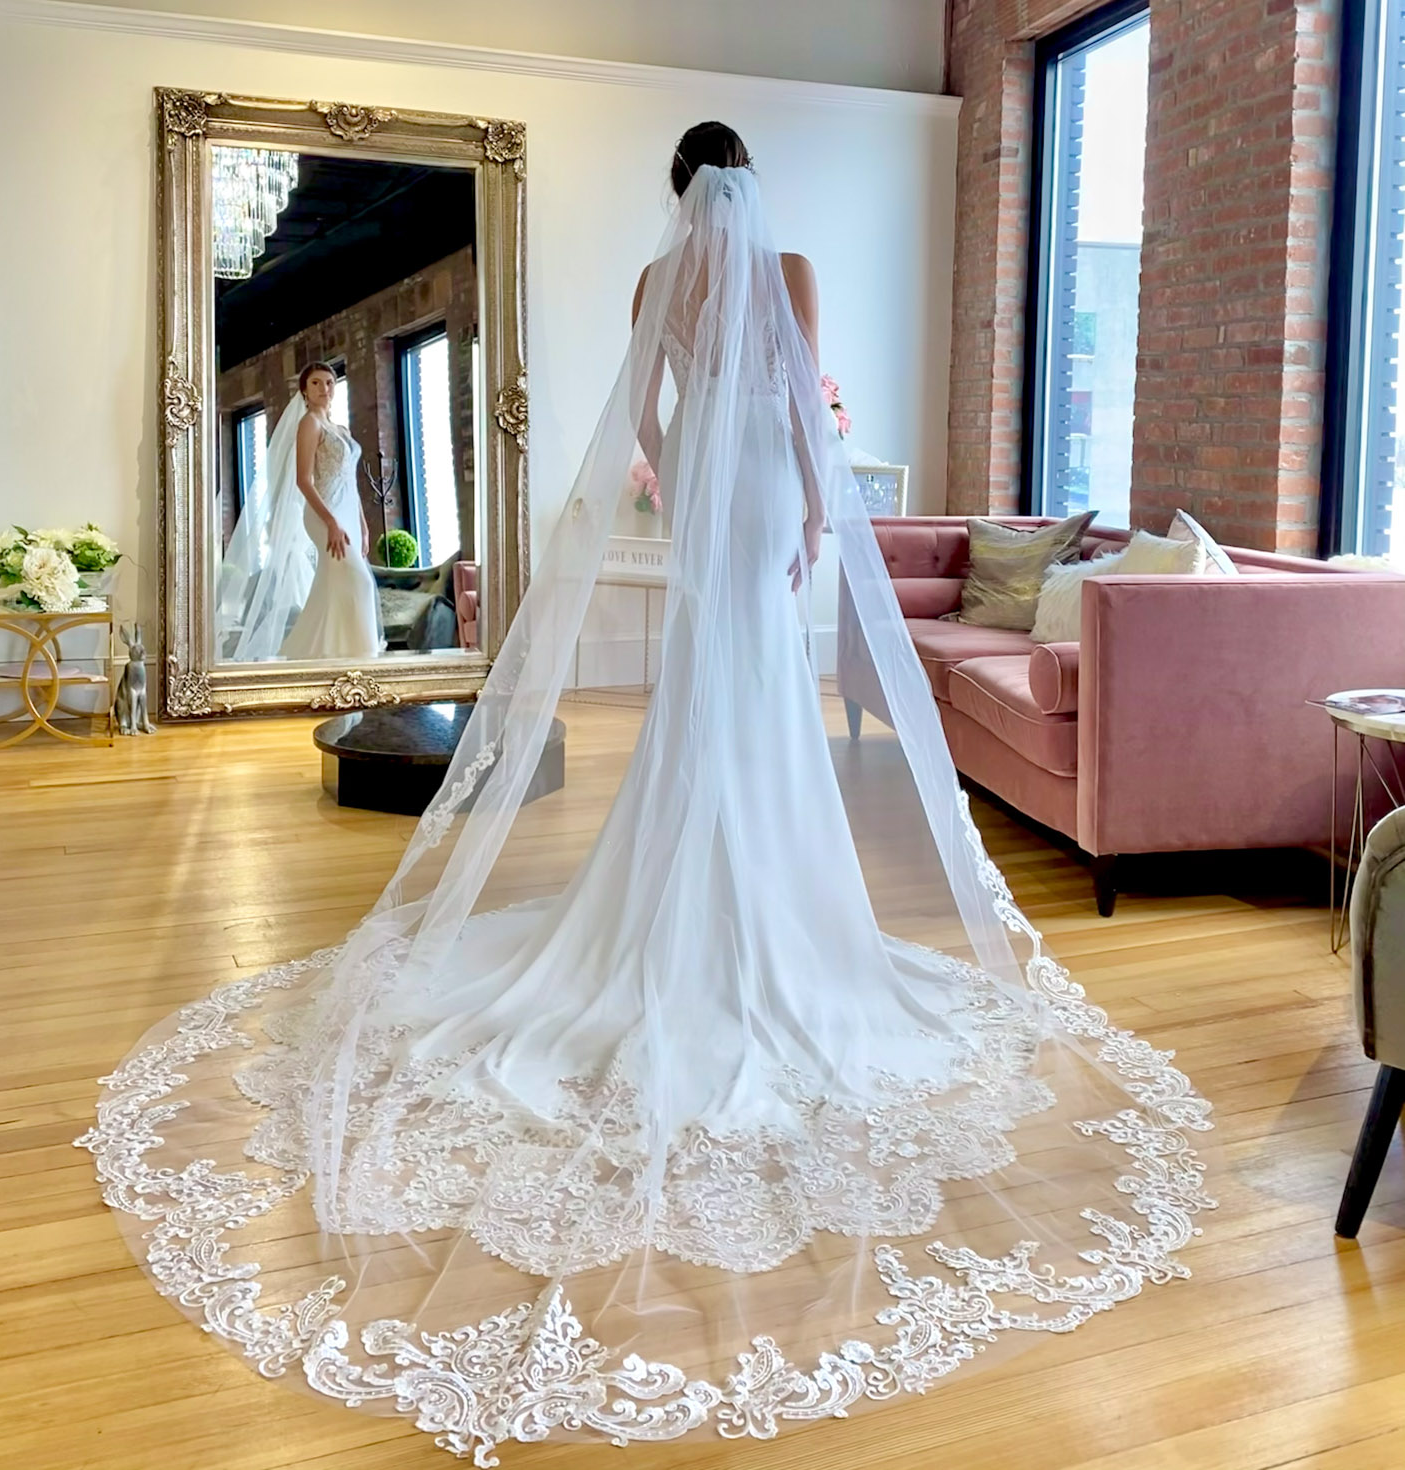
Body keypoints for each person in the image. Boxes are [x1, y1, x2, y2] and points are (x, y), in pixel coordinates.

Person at [80, 123, 1214, 1457]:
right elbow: (801, 396)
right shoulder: (787, 266)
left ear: (677, 191)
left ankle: (686, 891)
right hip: (759, 496)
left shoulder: (649, 281)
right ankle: (766, 904)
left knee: (700, 690)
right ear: (747, 180)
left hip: (700, 504)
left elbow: (656, 421)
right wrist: (804, 511)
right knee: (757, 695)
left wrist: (685, 490)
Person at [218, 362, 381, 662]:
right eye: (316, 383)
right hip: (324, 514)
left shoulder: (341, 429)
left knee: (333, 586)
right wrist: (331, 522)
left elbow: (351, 481)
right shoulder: (309, 424)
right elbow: (303, 480)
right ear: (305, 391)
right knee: (360, 582)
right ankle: (362, 659)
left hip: (347, 516)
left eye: (330, 382)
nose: (324, 388)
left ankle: (320, 657)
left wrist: (363, 525)